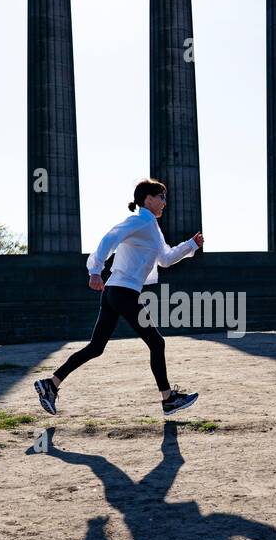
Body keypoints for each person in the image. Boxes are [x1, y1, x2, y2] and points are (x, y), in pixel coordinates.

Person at [35, 178, 204, 416]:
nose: (165, 202)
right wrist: (95, 270)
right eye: (161, 197)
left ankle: (50, 384)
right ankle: (168, 399)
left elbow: (165, 259)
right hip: (123, 292)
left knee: (96, 347)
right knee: (157, 342)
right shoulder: (139, 220)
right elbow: (109, 239)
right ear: (148, 199)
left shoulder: (152, 227)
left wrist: (190, 244)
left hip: (115, 292)